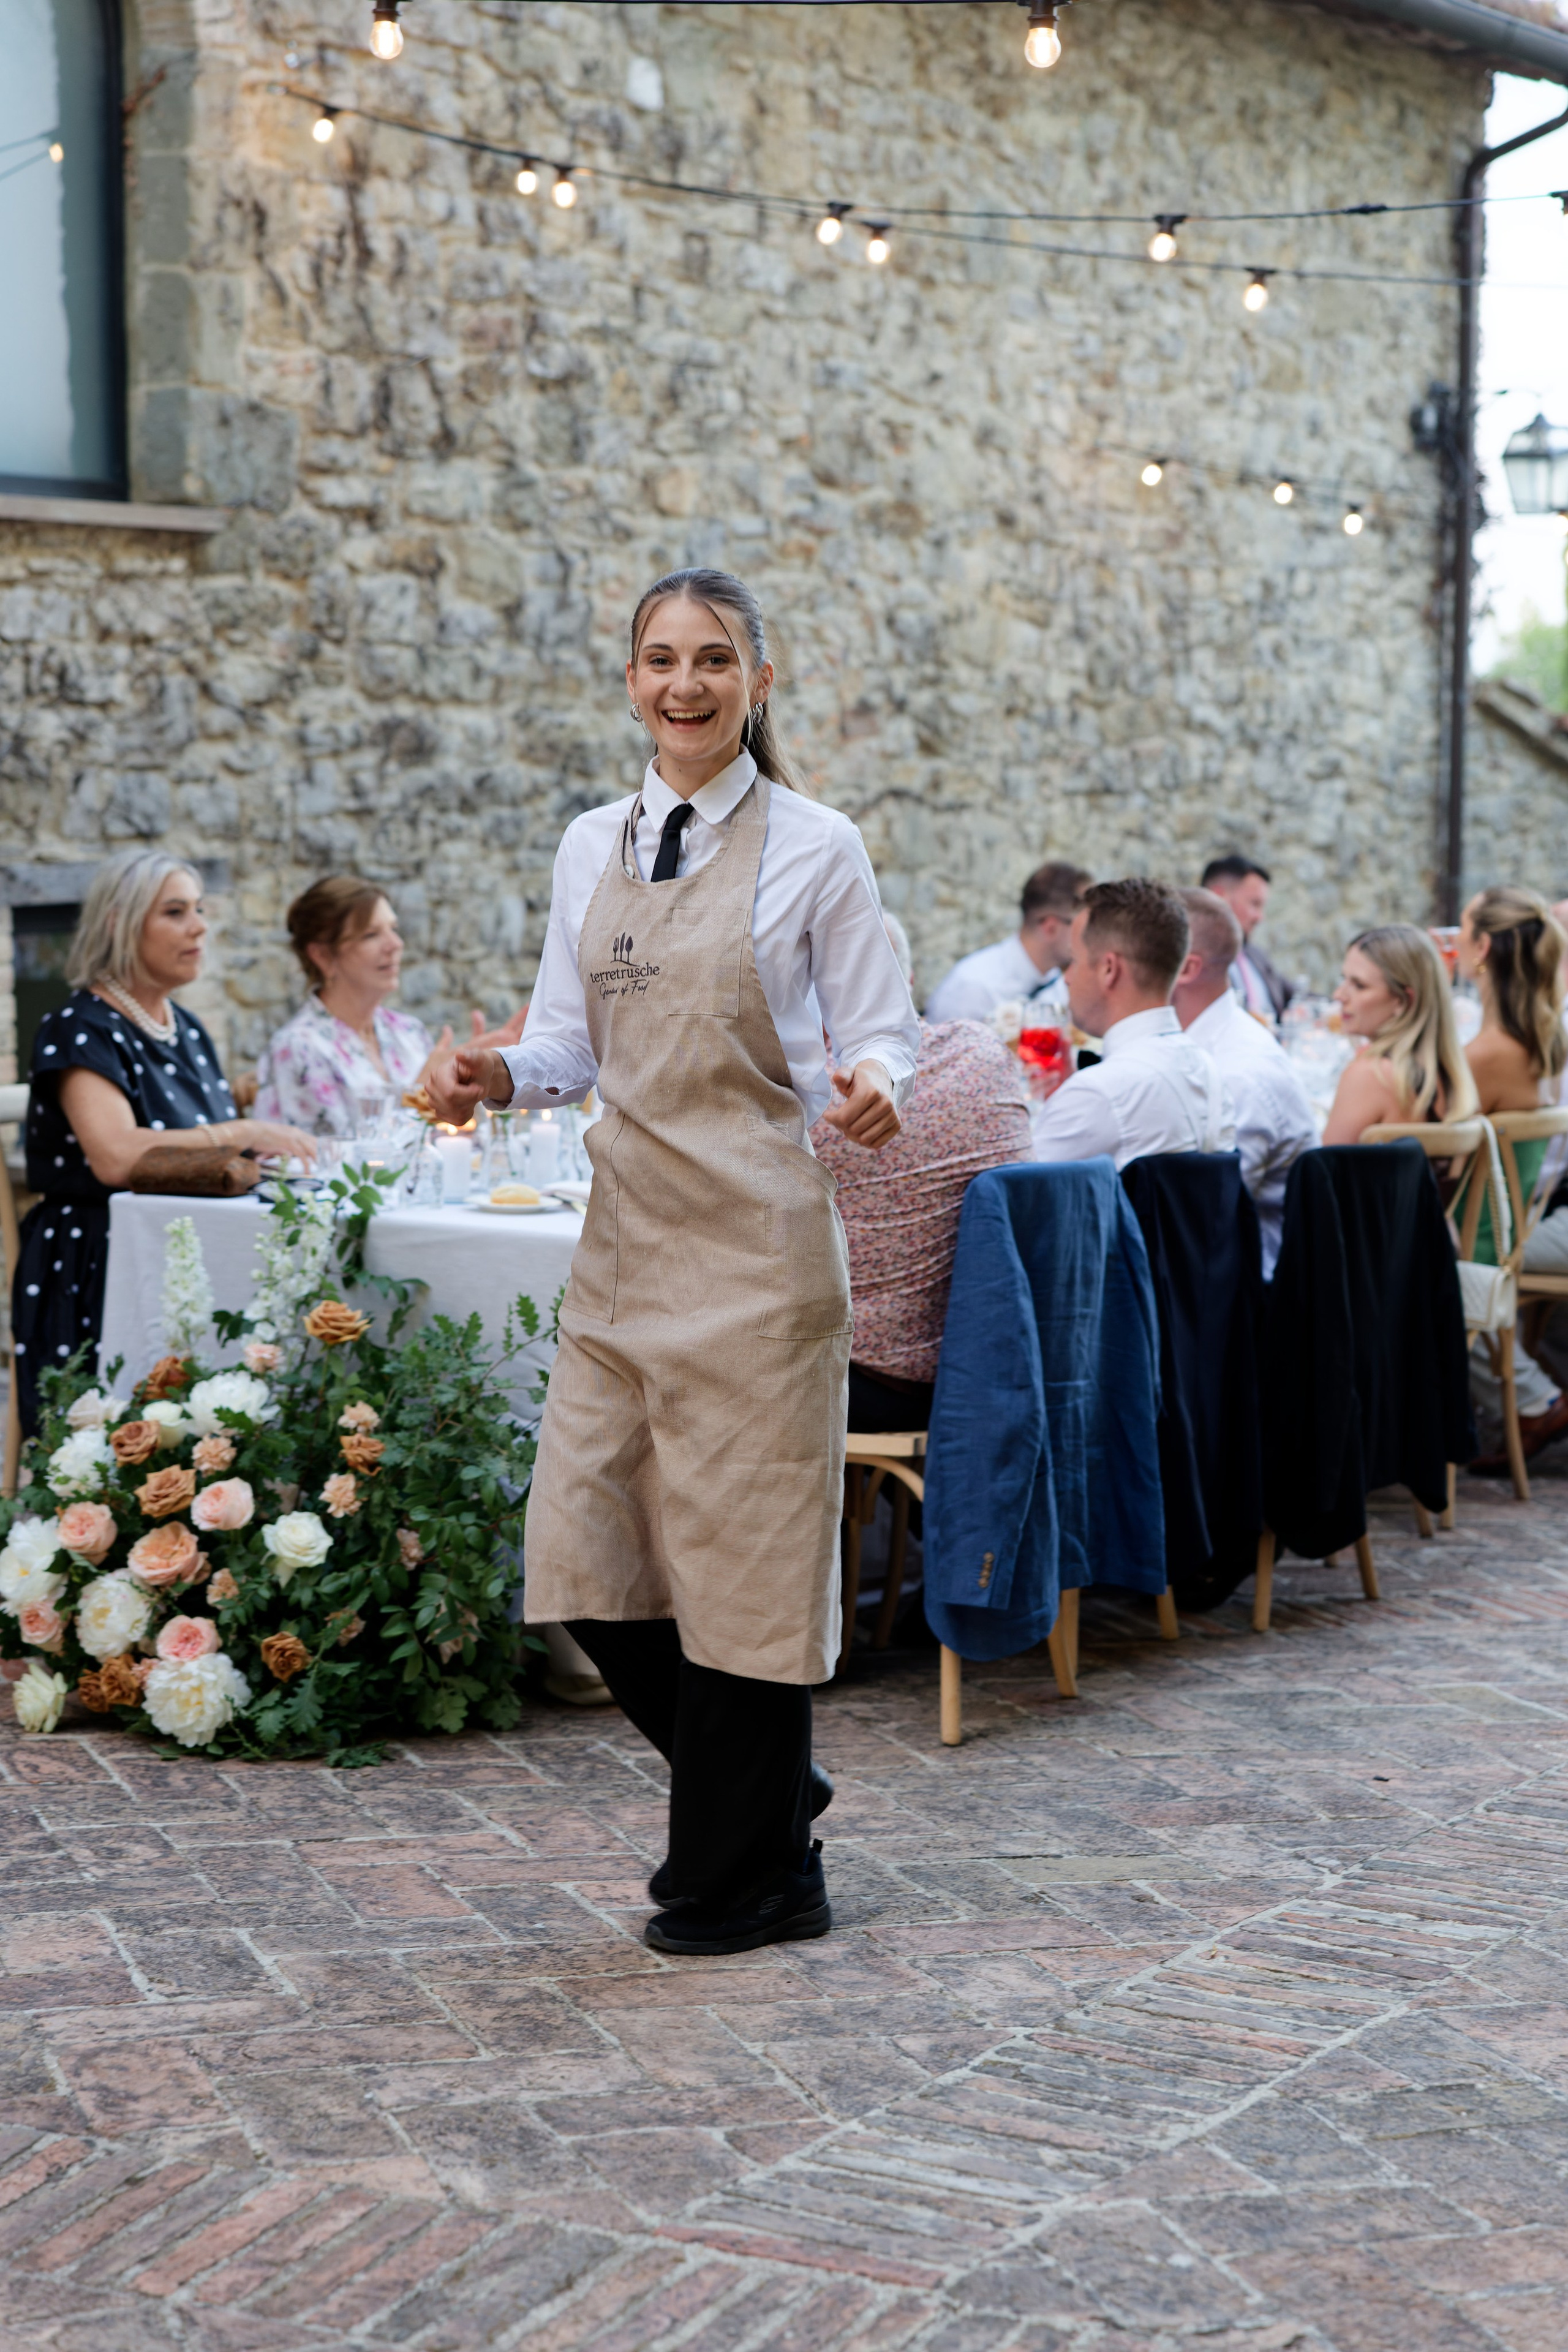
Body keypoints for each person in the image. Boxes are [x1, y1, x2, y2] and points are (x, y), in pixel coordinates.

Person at [424, 566, 919, 1959]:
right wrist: (491, 1072)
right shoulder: (592, 842)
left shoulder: (819, 844)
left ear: (756, 683)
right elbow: (569, 1044)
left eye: (713, 659)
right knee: (580, 1557)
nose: (684, 683)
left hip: (761, 1253)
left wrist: (873, 1080)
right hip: (626, 1246)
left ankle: (744, 1876)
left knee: (745, 1570)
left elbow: (880, 1021)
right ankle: (768, 1783)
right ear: (630, 679)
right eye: (659, 658)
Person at [10, 852, 316, 1435]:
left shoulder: (188, 1029)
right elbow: (117, 1157)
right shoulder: (80, 1026)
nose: (199, 925)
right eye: (175, 912)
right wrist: (243, 1133)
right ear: (118, 925)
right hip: (100, 1257)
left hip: (184, 1253)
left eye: (199, 909)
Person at [812, 913, 1031, 1434]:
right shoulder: (985, 1054)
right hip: (976, 1376)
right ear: (906, 985)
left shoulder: (822, 1100)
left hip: (853, 1380)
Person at [255, 877, 526, 1136]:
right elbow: (324, 1164)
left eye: (393, 929)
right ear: (323, 956)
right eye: (371, 935)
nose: (396, 945)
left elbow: (442, 1137)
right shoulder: (297, 1049)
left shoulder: (408, 1031)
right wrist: (418, 1094)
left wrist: (474, 1082)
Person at [1453, 888, 1568, 1471]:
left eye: (1462, 928)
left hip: (1477, 1241)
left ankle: (1532, 1397)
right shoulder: (1541, 1035)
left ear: (1483, 949)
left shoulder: (1489, 1053)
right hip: (1506, 1223)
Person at [1029, 878, 1235, 1169]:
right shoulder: (1212, 1076)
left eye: (1074, 961)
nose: (1067, 977)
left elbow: (1011, 1201)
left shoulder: (1097, 1094)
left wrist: (1063, 1102)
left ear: (1109, 970)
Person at [1171, 888, 1318, 1276]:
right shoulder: (1206, 1048)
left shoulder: (1237, 1074)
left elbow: (1210, 1221)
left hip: (1252, 1302)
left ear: (1185, 968)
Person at [1321, 924, 1477, 1145]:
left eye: (1359, 985)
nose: (1339, 995)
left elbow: (1324, 1175)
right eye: (1343, 980)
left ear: (1403, 1001)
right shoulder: (1450, 1075)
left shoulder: (1371, 1076)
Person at [924, 859, 1092, 1025]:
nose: (1092, 936)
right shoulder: (972, 989)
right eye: (1085, 926)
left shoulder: (1056, 982)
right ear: (1051, 927)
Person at [1201, 854, 1296, 1023]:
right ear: (1219, 897)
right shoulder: (1195, 963)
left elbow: (1295, 995)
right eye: (1254, 904)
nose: (1260, 917)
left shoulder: (1256, 956)